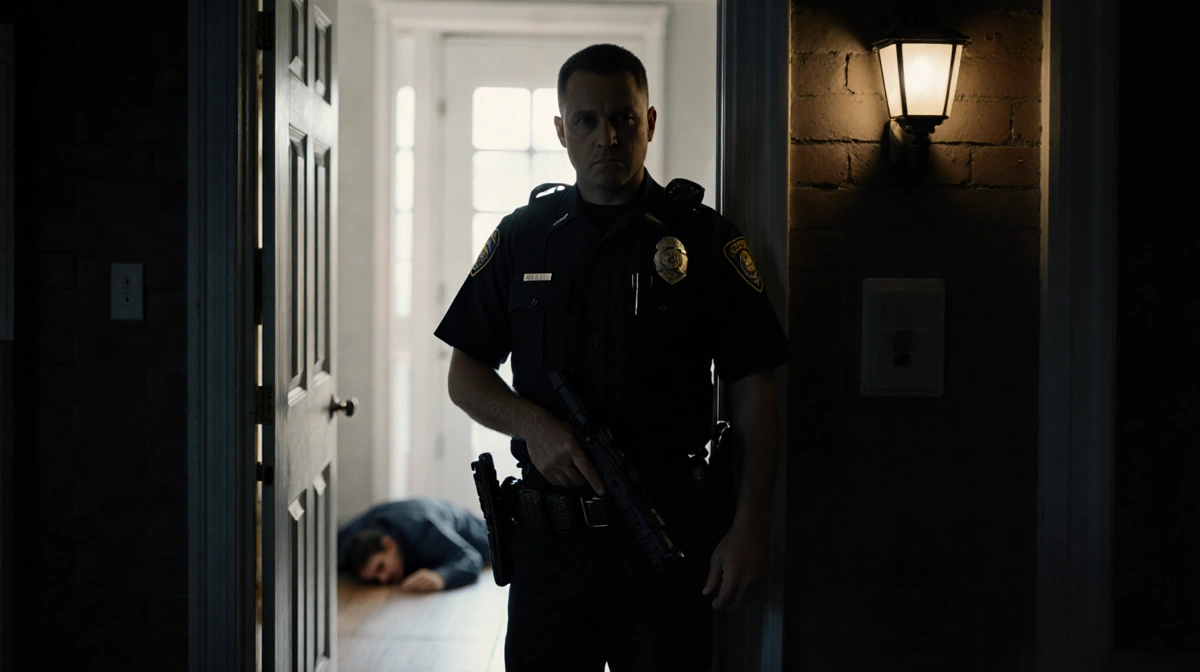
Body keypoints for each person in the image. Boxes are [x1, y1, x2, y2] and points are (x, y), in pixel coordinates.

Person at [434, 43, 788, 671]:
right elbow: (465, 374)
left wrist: (752, 526)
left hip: (667, 541)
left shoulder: (704, 239)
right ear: (561, 130)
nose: (608, 137)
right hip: (550, 549)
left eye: (624, 118)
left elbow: (754, 384)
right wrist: (532, 424)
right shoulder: (523, 237)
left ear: (649, 121)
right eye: (587, 120)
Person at [336, 497, 491, 592]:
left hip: (469, 526)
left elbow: (470, 558)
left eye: (380, 567)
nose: (383, 579)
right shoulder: (351, 537)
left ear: (389, 545)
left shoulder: (425, 529)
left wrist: (441, 577)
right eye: (374, 580)